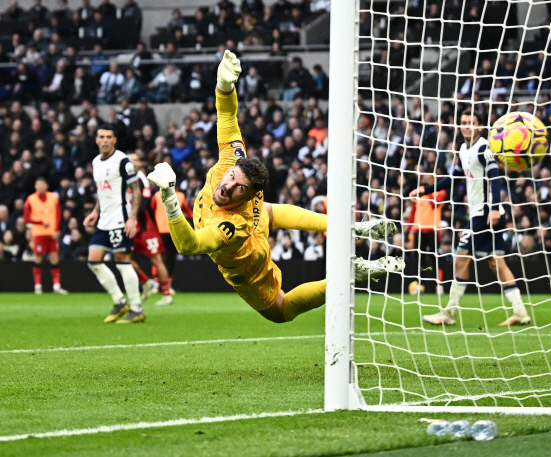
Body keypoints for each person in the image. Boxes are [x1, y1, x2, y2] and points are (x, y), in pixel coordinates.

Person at [147, 51, 403, 323]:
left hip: (247, 259)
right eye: (232, 177)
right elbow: (227, 116)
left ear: (248, 196)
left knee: (280, 311)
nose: (228, 185)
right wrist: (224, 87)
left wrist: (169, 199)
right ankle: (350, 227)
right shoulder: (232, 160)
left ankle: (349, 275)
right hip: (258, 217)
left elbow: (190, 245)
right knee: (268, 212)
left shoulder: (230, 226)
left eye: (239, 188)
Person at [409, 110, 530, 327]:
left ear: (480, 127)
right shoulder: (464, 149)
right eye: (463, 122)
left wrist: (493, 209)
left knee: (461, 258)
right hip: (483, 214)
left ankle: (449, 313)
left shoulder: (484, 147)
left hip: (485, 214)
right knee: (496, 263)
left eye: (471, 123)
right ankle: (520, 311)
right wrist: (425, 189)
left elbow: (494, 177)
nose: (466, 126)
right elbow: (454, 178)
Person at [83, 125, 145, 324]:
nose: (105, 140)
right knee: (93, 260)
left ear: (114, 139)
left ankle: (136, 308)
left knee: (122, 261)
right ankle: (120, 301)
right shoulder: (96, 162)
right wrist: (95, 211)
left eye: (109, 137)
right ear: (96, 139)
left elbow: (135, 189)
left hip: (121, 218)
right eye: (101, 137)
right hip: (104, 220)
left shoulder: (122, 161)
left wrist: (132, 217)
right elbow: (103, 192)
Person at [128, 153, 172, 306]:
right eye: (130, 160)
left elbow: (143, 204)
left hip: (144, 228)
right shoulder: (124, 180)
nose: (133, 163)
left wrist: (131, 216)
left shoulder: (142, 180)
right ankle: (146, 282)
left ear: (139, 163)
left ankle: (167, 294)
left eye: (135, 160)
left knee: (156, 260)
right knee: (121, 257)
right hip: (130, 227)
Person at [23, 177, 68, 294]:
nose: (41, 186)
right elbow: (26, 218)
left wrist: (57, 229)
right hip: (38, 233)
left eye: (43, 184)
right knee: (38, 258)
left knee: (54, 258)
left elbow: (58, 214)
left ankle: (57, 286)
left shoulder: (53, 197)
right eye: (38, 184)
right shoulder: (31, 199)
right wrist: (40, 222)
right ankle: (38, 286)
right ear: (35, 187)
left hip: (52, 233)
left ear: (46, 186)